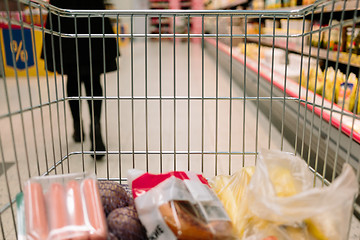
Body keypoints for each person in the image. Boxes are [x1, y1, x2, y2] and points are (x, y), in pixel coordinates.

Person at [41, 0, 118, 159]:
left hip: (65, 18)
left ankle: (77, 126)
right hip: (92, 17)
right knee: (93, 76)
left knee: (73, 74)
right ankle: (95, 124)